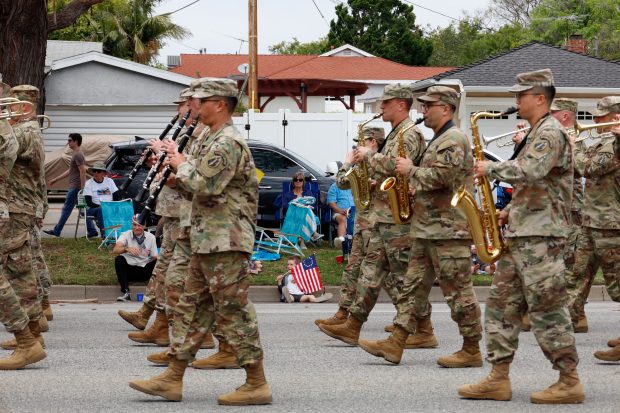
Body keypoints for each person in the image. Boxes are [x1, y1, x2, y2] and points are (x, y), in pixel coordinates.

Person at [129, 77, 271, 405]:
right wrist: (176, 170)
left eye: (202, 100)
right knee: (191, 308)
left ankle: (256, 382)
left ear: (220, 104)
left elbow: (206, 185)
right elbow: (194, 184)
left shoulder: (228, 142)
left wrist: (179, 164)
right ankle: (173, 377)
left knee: (233, 311)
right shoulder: (213, 138)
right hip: (205, 239)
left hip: (226, 241)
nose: (197, 106)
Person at [459, 69, 584, 404]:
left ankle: (569, 380)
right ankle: (498, 377)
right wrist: (509, 211)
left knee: (547, 309)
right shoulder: (534, 132)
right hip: (524, 232)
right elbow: (537, 186)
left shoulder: (550, 132)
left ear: (540, 98)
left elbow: (531, 170)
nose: (515, 101)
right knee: (501, 306)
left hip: (542, 237)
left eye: (521, 95)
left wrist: (489, 167)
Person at [360, 86, 482, 368]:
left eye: (430, 105)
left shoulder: (453, 139)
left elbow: (444, 177)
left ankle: (472, 348)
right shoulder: (438, 139)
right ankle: (396, 342)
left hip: (448, 231)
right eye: (423, 105)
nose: (424, 110)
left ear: (447, 109)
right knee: (412, 288)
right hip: (427, 228)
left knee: (458, 292)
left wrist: (410, 172)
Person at [318, 83, 427, 350]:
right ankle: (352, 324)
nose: (380, 108)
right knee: (371, 272)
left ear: (401, 104)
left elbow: (400, 169)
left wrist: (371, 156)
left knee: (401, 277)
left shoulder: (409, 134)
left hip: (396, 218)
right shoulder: (397, 133)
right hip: (382, 217)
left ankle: (423, 329)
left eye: (385, 103)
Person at [0, 84, 47, 369]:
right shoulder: (19, 130)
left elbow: (7, 158)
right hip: (17, 206)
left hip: (16, 206)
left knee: (17, 271)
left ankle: (27, 339)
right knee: (21, 270)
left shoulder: (21, 132)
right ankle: (31, 335)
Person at [571, 96, 620, 362]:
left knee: (617, 284)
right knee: (578, 275)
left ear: (615, 116)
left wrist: (574, 144)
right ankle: (566, 323)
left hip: (610, 225)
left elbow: (587, 167)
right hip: (592, 221)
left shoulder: (614, 144)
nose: (596, 121)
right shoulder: (604, 141)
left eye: (601, 116)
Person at [548, 98, 589, 333]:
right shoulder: (553, 136)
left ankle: (577, 314)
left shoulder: (577, 139)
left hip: (572, 210)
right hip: (555, 207)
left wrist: (571, 148)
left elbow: (582, 168)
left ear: (564, 116)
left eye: (553, 113)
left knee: (571, 262)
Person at [44, 133, 85, 237]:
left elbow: (82, 171)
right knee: (83, 208)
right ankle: (92, 230)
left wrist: (82, 188)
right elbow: (70, 171)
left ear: (76, 141)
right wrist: (56, 179)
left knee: (67, 209)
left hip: (76, 187)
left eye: (70, 140)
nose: (68, 142)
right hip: (75, 186)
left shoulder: (78, 154)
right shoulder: (75, 154)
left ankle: (57, 231)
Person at [113, 214, 158, 301]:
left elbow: (154, 256)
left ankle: (155, 292)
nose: (137, 228)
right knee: (119, 259)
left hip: (144, 270)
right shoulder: (125, 235)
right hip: (129, 271)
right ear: (131, 225)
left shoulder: (151, 237)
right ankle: (126, 292)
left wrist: (150, 261)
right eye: (134, 225)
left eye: (139, 225)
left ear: (144, 226)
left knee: (158, 261)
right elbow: (115, 250)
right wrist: (126, 249)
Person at [83, 163, 118, 238]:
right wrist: (103, 206)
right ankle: (105, 234)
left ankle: (123, 234)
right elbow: (89, 203)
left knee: (125, 207)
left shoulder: (109, 181)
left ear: (104, 173)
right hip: (94, 208)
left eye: (98, 171)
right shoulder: (89, 183)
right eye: (94, 171)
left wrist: (112, 206)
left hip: (109, 207)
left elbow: (116, 196)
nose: (95, 173)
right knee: (101, 210)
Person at [326, 180, 354, 249]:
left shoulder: (354, 185)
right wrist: (341, 211)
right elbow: (332, 203)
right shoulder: (334, 186)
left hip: (355, 211)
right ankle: (341, 242)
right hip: (339, 212)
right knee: (343, 219)